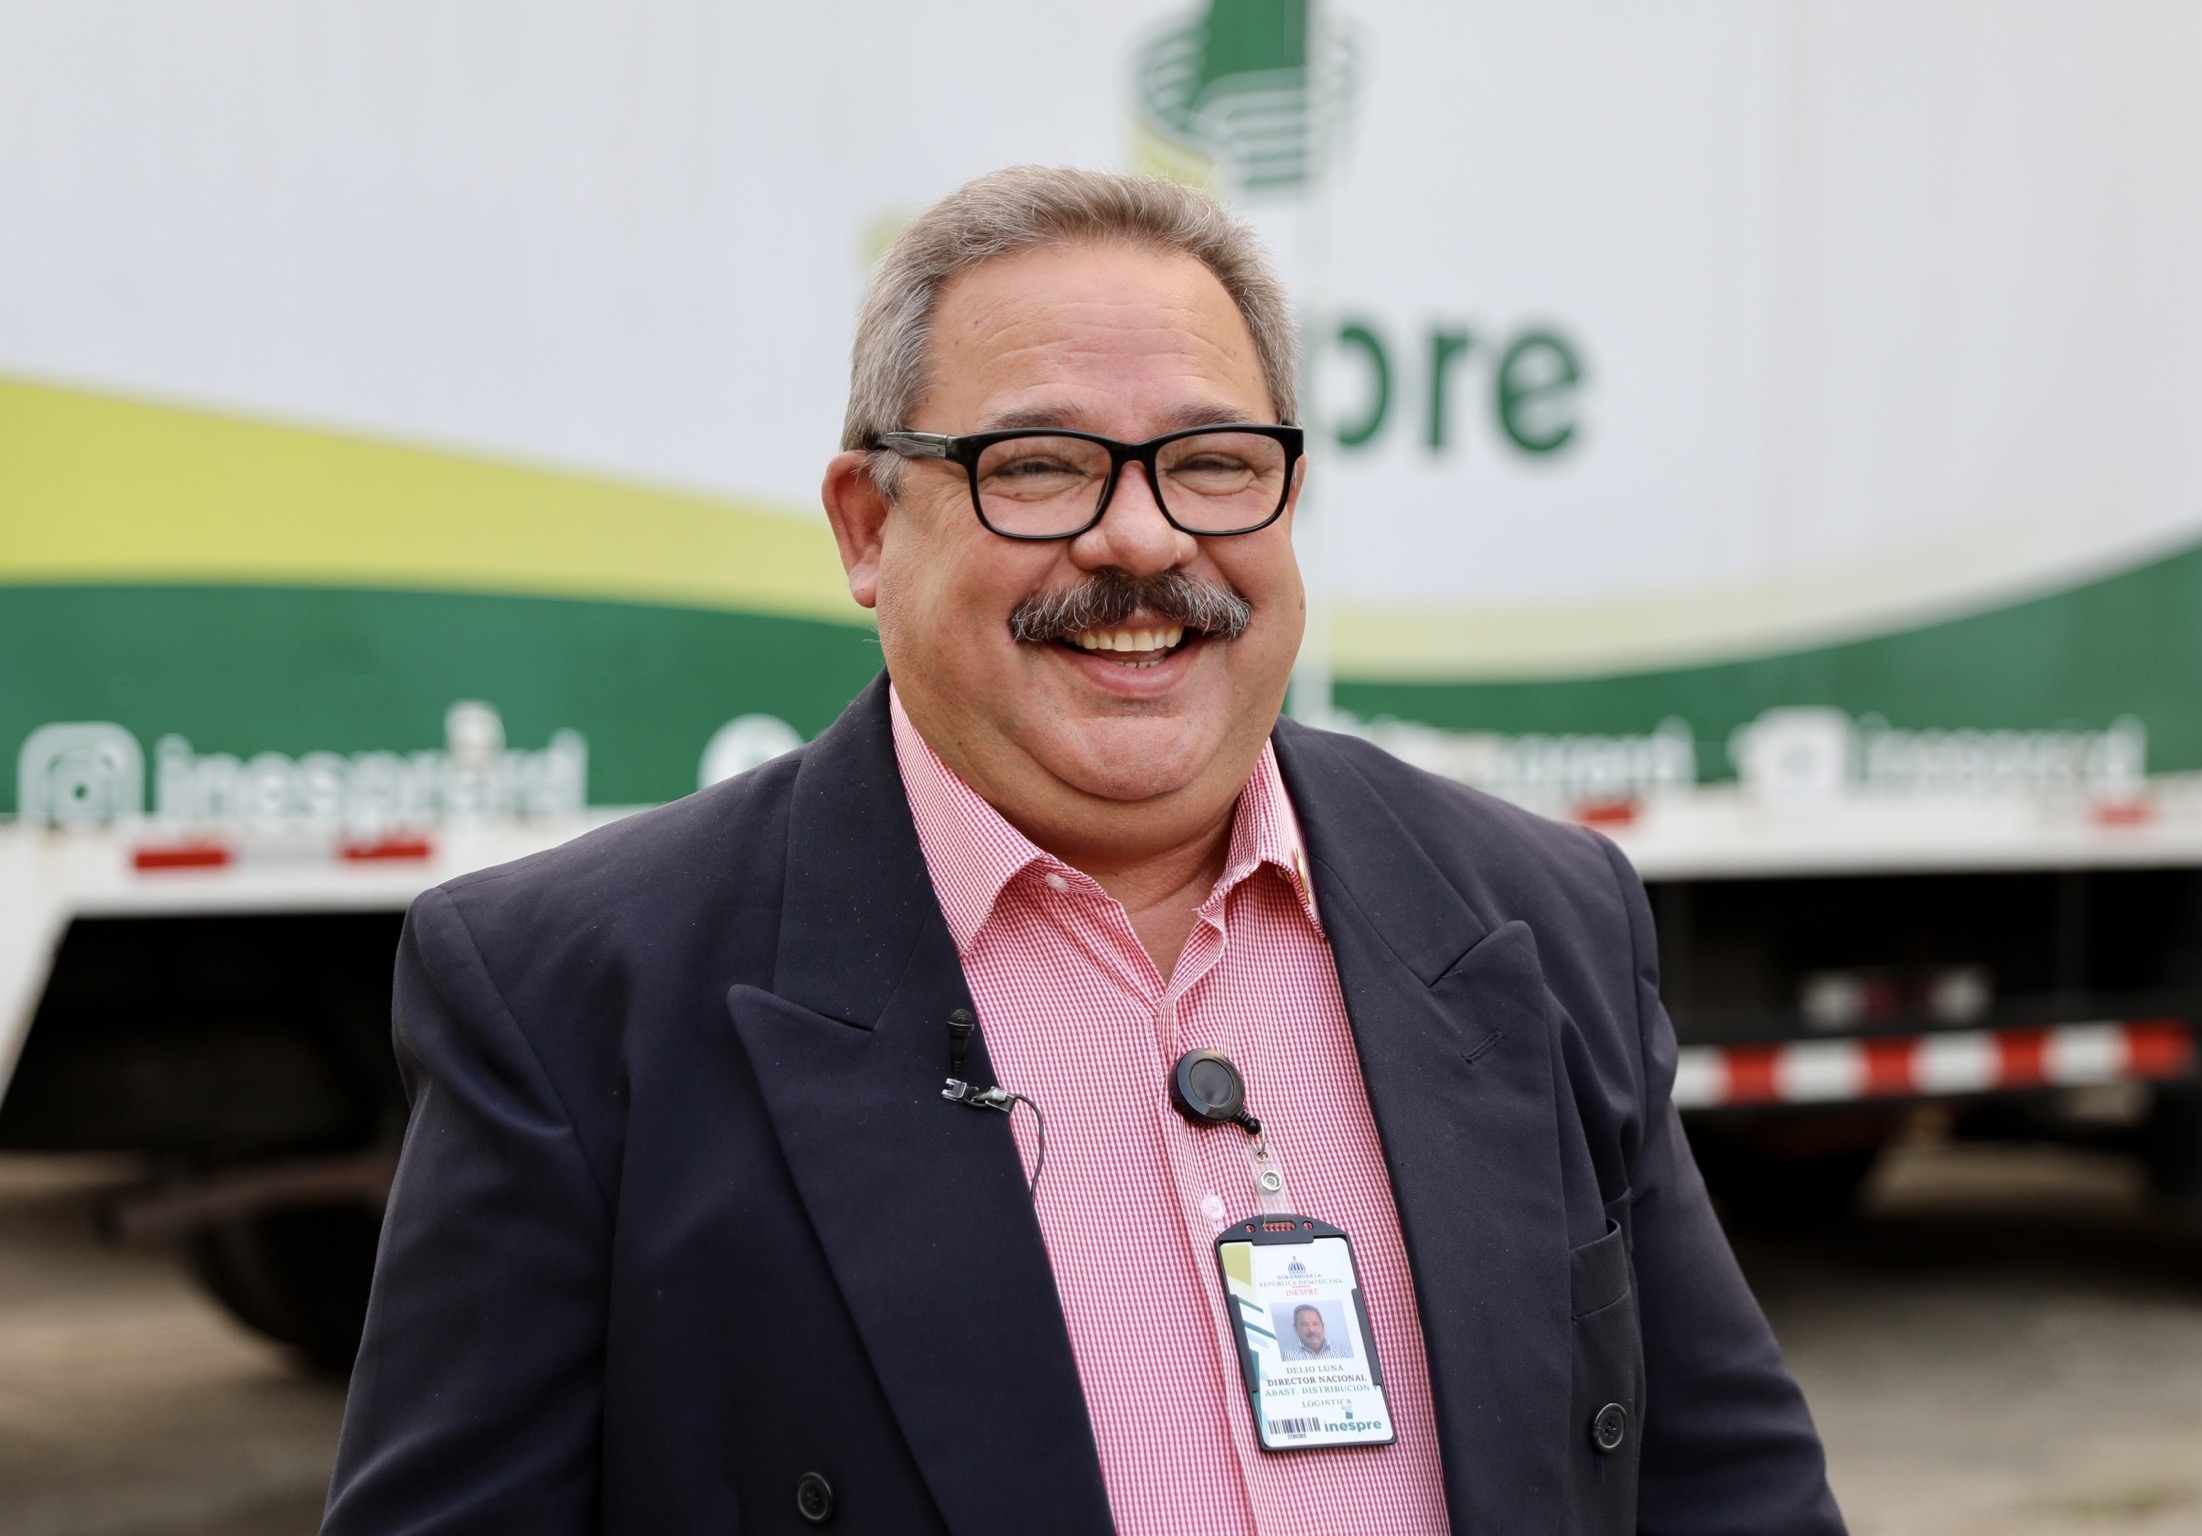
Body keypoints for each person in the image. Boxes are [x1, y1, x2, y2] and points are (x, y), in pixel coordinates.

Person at [323, 166, 1845, 1536]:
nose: (1142, 539)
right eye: (1041, 465)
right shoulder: (571, 998)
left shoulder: (1539, 917)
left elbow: (1729, 1490)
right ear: (867, 527)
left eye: (1213, 462)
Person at [1281, 1304, 1348, 1362]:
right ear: (1296, 1328)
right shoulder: (1289, 1356)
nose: (1311, 1330)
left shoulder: (1341, 1352)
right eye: (1304, 1324)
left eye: (1315, 1324)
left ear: (1322, 1326)